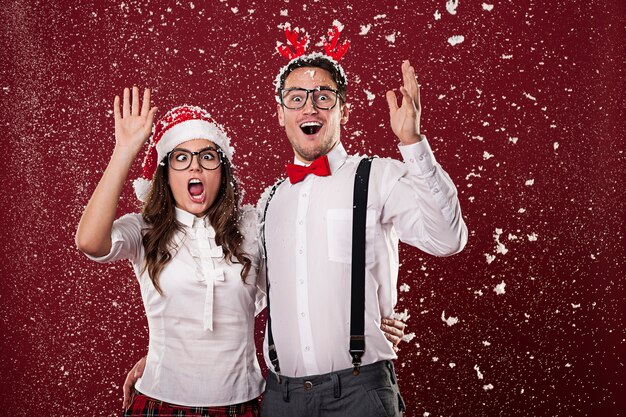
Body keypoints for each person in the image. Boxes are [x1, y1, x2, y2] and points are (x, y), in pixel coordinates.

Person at [254, 48, 468, 416]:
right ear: (280, 113)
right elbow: (242, 295)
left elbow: (447, 238)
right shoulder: (268, 202)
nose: (310, 107)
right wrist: (167, 355)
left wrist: (413, 144)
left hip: (360, 392)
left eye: (323, 96)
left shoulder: (378, 176)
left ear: (344, 110)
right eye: (296, 98)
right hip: (281, 398)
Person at [75, 88, 265, 416]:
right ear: (165, 173)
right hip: (161, 401)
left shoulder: (251, 226)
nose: (196, 168)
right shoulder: (146, 229)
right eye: (181, 158)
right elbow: (90, 242)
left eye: (208, 156)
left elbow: (301, 282)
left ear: (223, 170)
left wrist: (374, 321)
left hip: (241, 403)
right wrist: (125, 150)